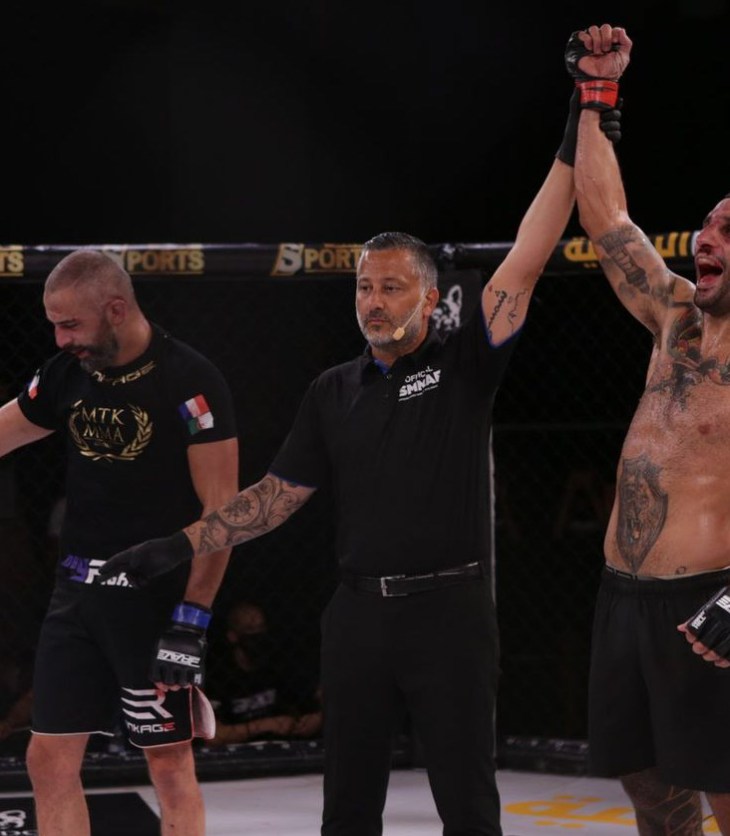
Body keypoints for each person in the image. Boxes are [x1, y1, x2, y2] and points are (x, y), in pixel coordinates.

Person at [100, 82, 623, 834]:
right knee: (346, 805)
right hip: (357, 615)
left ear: (429, 297)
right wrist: (174, 547)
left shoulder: (465, 363)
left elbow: (530, 254)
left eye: (391, 288)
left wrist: (581, 120)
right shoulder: (332, 390)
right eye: (364, 287)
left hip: (450, 612)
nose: (373, 301)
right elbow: (275, 498)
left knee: (468, 804)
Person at [0, 250, 239, 836]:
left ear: (114, 309)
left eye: (70, 325)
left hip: (152, 598)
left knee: (169, 762)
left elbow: (222, 513)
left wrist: (192, 620)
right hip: (76, 594)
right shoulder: (67, 372)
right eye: (54, 325)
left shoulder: (189, 380)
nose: (60, 340)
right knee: (48, 758)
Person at [571, 23, 730, 834]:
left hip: (712, 604)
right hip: (624, 599)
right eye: (707, 225)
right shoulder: (673, 317)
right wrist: (596, 94)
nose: (707, 239)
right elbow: (606, 219)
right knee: (648, 786)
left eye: (729, 232)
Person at [205, 600, 322, 746]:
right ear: (233, 636)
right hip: (236, 751)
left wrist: (318, 718)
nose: (257, 635)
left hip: (286, 746)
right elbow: (213, 737)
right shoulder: (218, 676)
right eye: (250, 629)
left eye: (261, 627)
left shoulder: (278, 663)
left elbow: (320, 694)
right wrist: (265, 725)